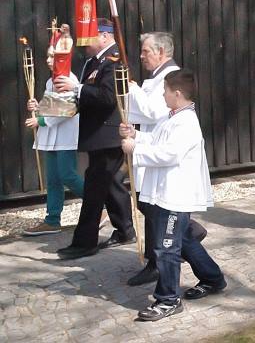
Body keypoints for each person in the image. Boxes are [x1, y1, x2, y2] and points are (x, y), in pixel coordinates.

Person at [120, 70, 226, 322]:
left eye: (165, 91)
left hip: (174, 196)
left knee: (166, 247)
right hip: (165, 193)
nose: (163, 95)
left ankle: (168, 299)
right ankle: (212, 278)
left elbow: (169, 154)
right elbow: (158, 140)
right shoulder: (173, 117)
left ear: (177, 93)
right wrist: (136, 135)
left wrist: (135, 150)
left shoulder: (186, 122)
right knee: (184, 241)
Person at [125, 32, 206, 287]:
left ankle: (167, 292)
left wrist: (132, 89)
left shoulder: (172, 80)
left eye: (146, 51)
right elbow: (150, 123)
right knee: (154, 213)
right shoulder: (163, 87)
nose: (142, 56)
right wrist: (136, 135)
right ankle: (209, 273)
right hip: (156, 158)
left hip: (170, 176)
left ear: (161, 52)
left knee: (166, 234)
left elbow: (152, 113)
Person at [54, 18, 135, 260]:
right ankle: (126, 230)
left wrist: (77, 88)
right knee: (110, 185)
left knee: (94, 190)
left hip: (108, 134)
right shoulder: (93, 62)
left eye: (88, 36)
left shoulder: (114, 60)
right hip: (97, 134)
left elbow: (109, 97)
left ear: (104, 36)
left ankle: (85, 242)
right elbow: (86, 96)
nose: (84, 42)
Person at [23, 54, 82, 236]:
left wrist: (41, 120)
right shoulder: (51, 81)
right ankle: (52, 220)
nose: (48, 60)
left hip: (65, 137)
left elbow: (68, 109)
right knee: (53, 179)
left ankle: (102, 203)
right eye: (48, 56)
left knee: (68, 175)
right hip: (50, 138)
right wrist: (37, 107)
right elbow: (50, 107)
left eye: (53, 56)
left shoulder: (69, 80)